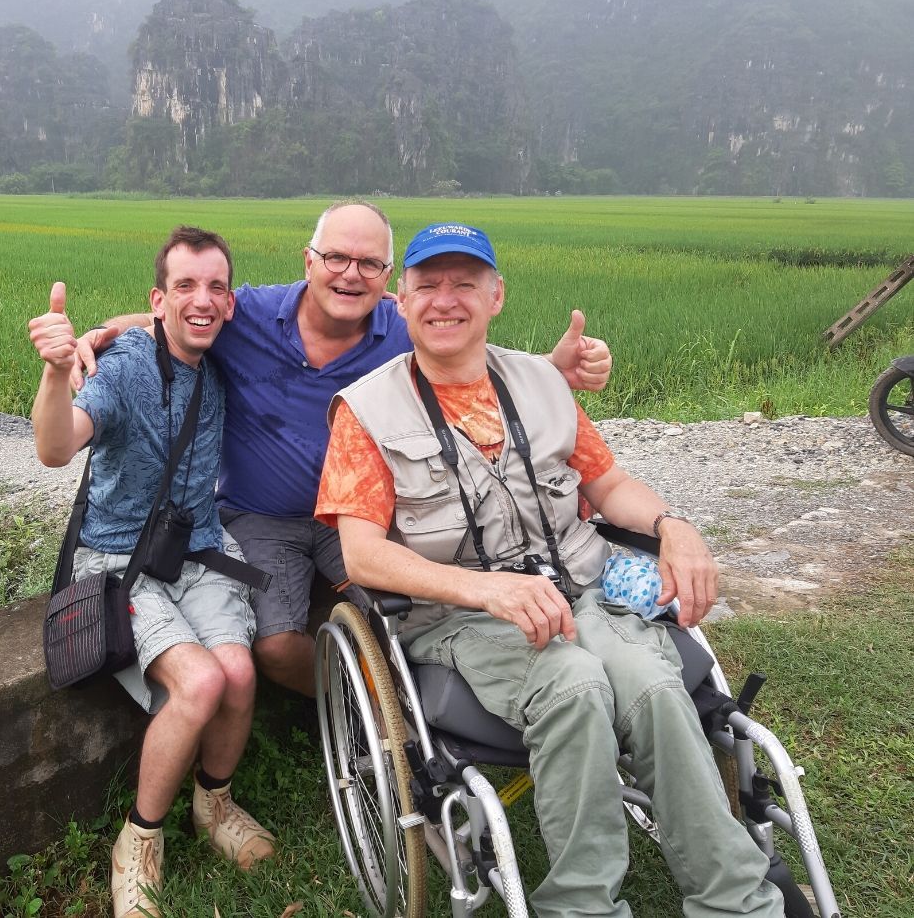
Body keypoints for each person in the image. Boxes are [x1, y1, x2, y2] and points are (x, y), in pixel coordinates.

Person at [315, 222, 784, 917]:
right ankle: (581, 905)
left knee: (655, 688)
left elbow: (608, 484)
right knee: (575, 685)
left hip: (583, 588)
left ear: (496, 296)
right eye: (427, 285)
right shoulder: (366, 411)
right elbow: (362, 553)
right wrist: (487, 589)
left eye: (465, 283)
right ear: (401, 301)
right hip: (462, 617)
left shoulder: (542, 383)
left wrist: (673, 526)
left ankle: (736, 898)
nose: (446, 300)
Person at [74, 201, 613, 696]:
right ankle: (361, 709)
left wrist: (550, 367)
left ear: (388, 278)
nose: (351, 274)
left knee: (414, 611)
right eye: (336, 257)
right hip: (262, 517)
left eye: (369, 264)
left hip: (359, 518)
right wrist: (101, 333)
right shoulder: (252, 315)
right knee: (275, 645)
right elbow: (179, 317)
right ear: (309, 261)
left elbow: (467, 350)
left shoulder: (402, 327)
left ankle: (430, 701)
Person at [30, 226, 274, 918]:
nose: (203, 300)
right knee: (199, 683)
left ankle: (214, 802)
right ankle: (139, 838)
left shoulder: (222, 352)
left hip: (198, 549)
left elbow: (290, 313)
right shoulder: (128, 367)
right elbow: (56, 447)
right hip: (120, 560)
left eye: (216, 287)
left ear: (230, 302)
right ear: (158, 298)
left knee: (239, 673)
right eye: (185, 286)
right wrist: (56, 371)